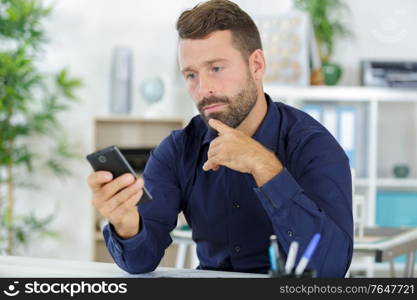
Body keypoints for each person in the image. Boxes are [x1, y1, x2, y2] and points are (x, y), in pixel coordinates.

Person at [87, 0, 353, 277]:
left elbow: (330, 270)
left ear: (257, 65)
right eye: (191, 74)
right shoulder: (178, 150)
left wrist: (265, 167)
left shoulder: (313, 145)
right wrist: (127, 225)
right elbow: (140, 262)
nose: (204, 89)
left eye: (216, 68)